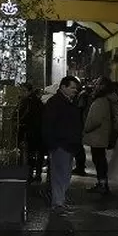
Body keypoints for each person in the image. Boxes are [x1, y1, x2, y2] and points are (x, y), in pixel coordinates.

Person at [42, 76, 82, 214]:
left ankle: (60, 202)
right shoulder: (55, 103)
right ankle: (58, 203)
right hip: (61, 144)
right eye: (72, 87)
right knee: (60, 175)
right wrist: (53, 144)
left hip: (68, 144)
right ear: (63, 87)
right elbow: (48, 125)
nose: (75, 90)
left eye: (75, 88)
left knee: (65, 175)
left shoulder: (68, 102)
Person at [82, 77, 118, 194]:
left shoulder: (101, 101)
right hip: (101, 134)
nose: (94, 85)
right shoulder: (106, 100)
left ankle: (102, 184)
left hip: (98, 135)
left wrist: (86, 128)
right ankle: (102, 183)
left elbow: (96, 120)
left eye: (97, 83)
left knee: (99, 159)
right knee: (99, 159)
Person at [18, 82, 45, 183]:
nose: (21, 93)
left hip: (29, 132)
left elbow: (22, 117)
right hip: (37, 133)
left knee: (28, 154)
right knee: (37, 155)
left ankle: (28, 175)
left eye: (23, 90)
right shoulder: (37, 102)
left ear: (28, 91)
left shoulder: (27, 102)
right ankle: (37, 174)